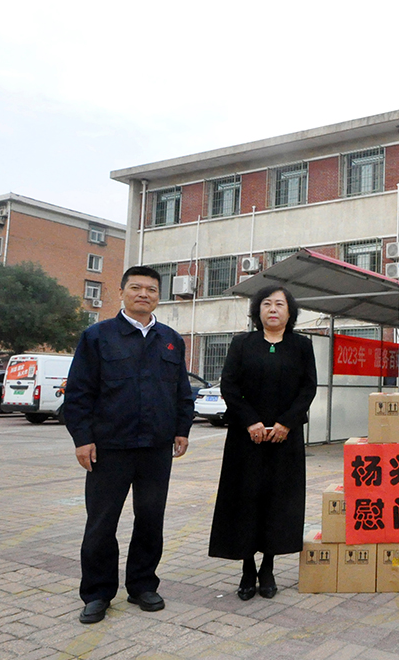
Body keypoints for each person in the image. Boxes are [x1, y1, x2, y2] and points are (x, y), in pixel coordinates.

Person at [64, 266, 194, 625]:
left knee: (150, 519)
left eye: (151, 289)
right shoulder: (97, 336)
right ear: (121, 292)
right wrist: (82, 439)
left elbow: (181, 390)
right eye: (136, 287)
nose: (143, 294)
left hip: (156, 448)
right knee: (101, 523)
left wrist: (182, 428)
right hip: (110, 447)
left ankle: (142, 585)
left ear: (158, 296)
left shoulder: (170, 339)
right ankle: (97, 593)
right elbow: (78, 392)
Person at [208, 285, 317, 600]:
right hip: (246, 439)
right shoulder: (242, 344)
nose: (273, 309)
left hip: (285, 439)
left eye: (280, 304)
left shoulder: (301, 346)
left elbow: (308, 388)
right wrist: (250, 421)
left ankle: (268, 567)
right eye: (267, 303)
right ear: (258, 310)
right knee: (244, 500)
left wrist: (286, 423)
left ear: (289, 312)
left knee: (278, 502)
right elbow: (229, 385)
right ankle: (247, 568)